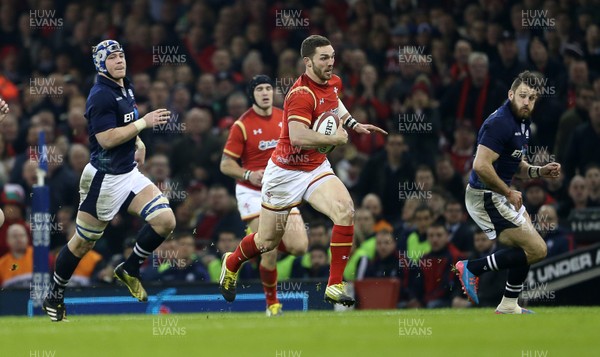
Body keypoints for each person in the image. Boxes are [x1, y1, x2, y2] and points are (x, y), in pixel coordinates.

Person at [219, 35, 386, 307]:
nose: (331, 62)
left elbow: (335, 103)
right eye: (324, 58)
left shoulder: (334, 82)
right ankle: (233, 260)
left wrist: (353, 124)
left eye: (332, 56)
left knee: (345, 209)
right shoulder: (300, 94)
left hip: (315, 166)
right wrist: (336, 139)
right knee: (267, 241)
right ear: (308, 62)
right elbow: (297, 136)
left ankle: (334, 284)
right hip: (284, 172)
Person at [43, 40, 176, 322]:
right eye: (112, 57)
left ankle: (129, 268)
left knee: (166, 220)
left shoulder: (123, 85)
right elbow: (105, 138)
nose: (119, 61)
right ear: (101, 64)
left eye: (121, 55)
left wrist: (138, 140)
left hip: (127, 173)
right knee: (82, 244)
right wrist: (144, 124)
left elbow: (123, 121)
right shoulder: (100, 95)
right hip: (103, 180)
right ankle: (54, 294)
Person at [455, 71, 561, 314]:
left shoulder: (523, 123)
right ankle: (473, 267)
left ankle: (509, 305)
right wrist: (508, 191)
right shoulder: (500, 123)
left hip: (498, 195)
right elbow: (480, 166)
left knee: (528, 249)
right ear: (511, 94)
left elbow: (517, 166)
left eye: (532, 98)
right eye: (523, 96)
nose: (527, 102)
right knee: (537, 249)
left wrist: (540, 171)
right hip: (486, 197)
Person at [220, 75, 309, 316]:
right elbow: (226, 165)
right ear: (253, 95)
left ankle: (247, 246)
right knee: (268, 250)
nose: (265, 92)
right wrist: (248, 174)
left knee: (300, 246)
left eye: (268, 88)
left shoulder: (285, 117)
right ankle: (272, 305)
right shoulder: (242, 125)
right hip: (252, 192)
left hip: (281, 189)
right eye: (260, 89)